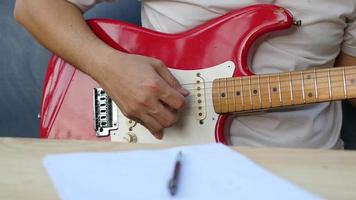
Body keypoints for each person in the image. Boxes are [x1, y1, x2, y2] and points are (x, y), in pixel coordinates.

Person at [14, 0, 356, 148]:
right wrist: (112, 70)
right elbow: (33, 8)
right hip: (170, 162)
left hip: (307, 166)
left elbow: (348, 77)